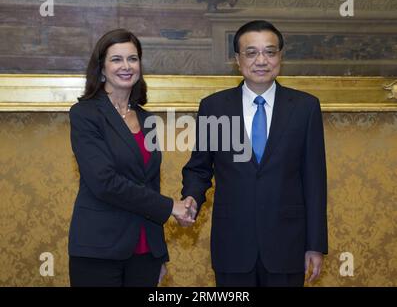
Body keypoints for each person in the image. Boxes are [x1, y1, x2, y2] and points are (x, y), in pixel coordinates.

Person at [181, 20, 328, 286]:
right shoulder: (214, 107)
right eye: (251, 53)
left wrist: (315, 244)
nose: (261, 60)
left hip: (287, 246)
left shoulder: (305, 107)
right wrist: (191, 197)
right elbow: (200, 168)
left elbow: (314, 181)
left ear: (280, 56)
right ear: (237, 59)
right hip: (232, 245)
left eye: (270, 52)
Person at [68, 29, 193, 287]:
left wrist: (159, 254)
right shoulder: (85, 114)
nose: (126, 66)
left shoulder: (147, 119)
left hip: (145, 251)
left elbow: (149, 185)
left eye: (133, 59)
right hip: (99, 249)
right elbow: (104, 182)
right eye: (117, 59)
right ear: (101, 68)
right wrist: (170, 207)